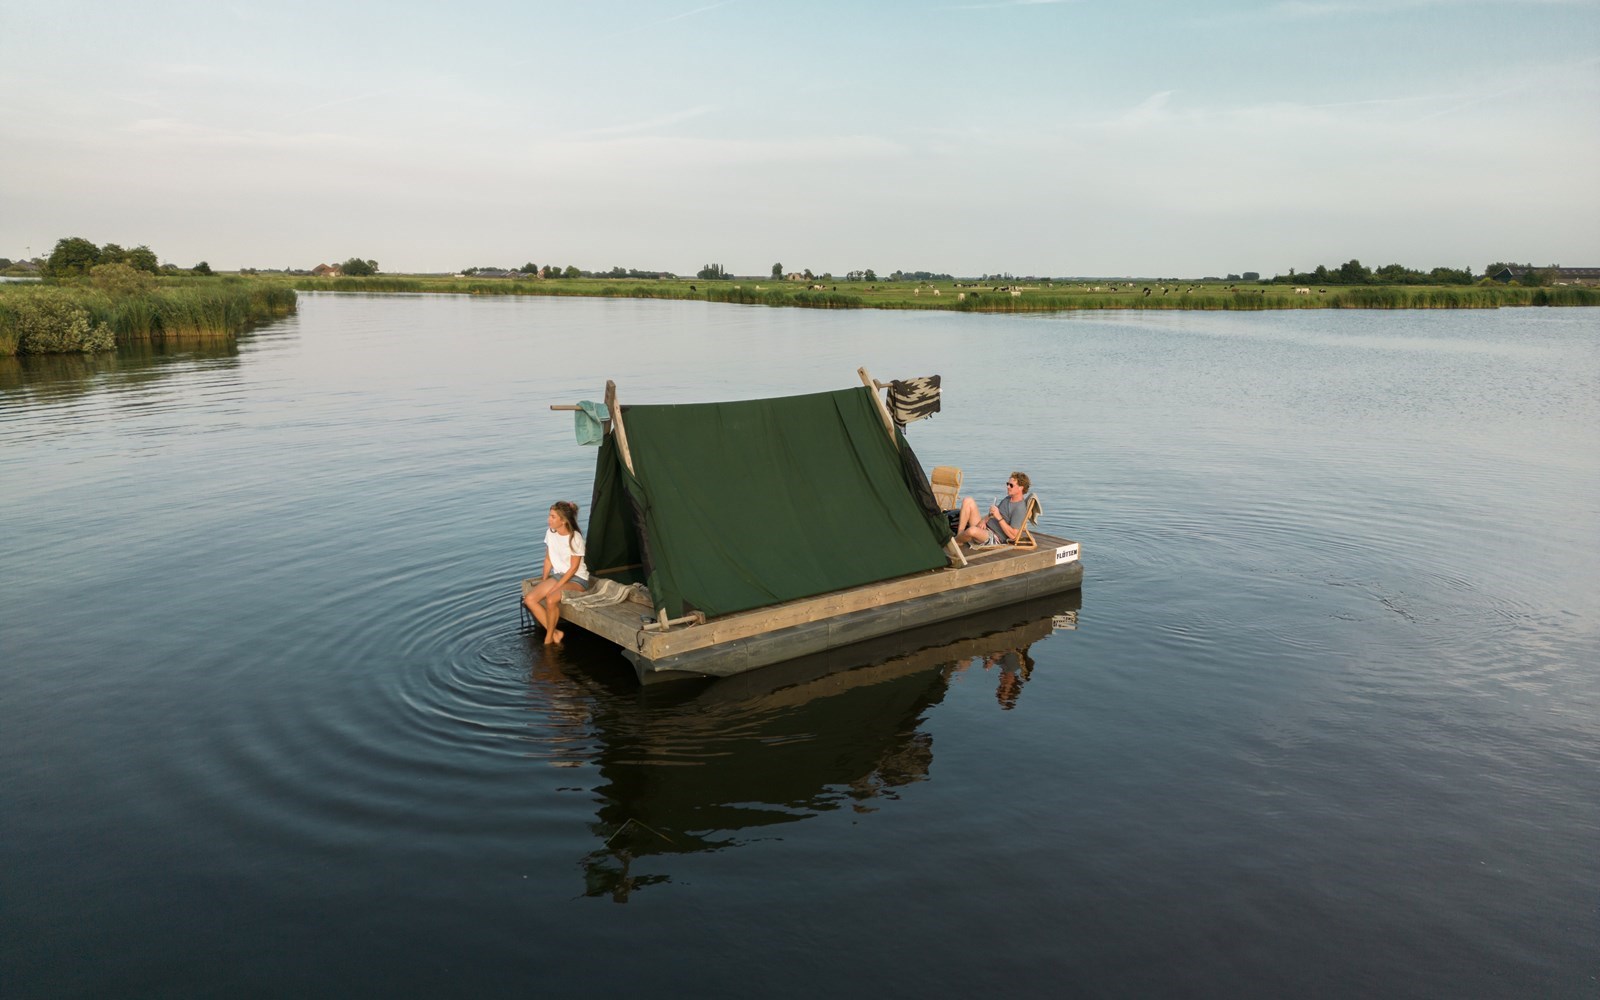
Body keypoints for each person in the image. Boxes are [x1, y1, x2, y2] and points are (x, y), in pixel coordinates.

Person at [524, 500, 589, 644]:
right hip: (559, 575)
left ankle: (548, 638)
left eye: (553, 517)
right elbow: (548, 559)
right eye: (549, 515)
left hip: (577, 579)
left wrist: (556, 586)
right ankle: (555, 633)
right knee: (529, 599)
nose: (549, 519)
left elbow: (573, 568)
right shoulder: (550, 533)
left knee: (551, 598)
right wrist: (544, 580)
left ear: (564, 520)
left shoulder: (575, 538)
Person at [954, 471, 1030, 547]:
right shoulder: (1008, 498)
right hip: (985, 527)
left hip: (994, 536)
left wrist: (999, 518)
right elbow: (993, 514)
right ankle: (960, 535)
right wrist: (984, 520)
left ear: (1021, 488)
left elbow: (1014, 536)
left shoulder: (1020, 509)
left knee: (972, 530)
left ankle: (955, 541)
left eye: (1011, 485)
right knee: (968, 500)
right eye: (1007, 484)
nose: (1008, 487)